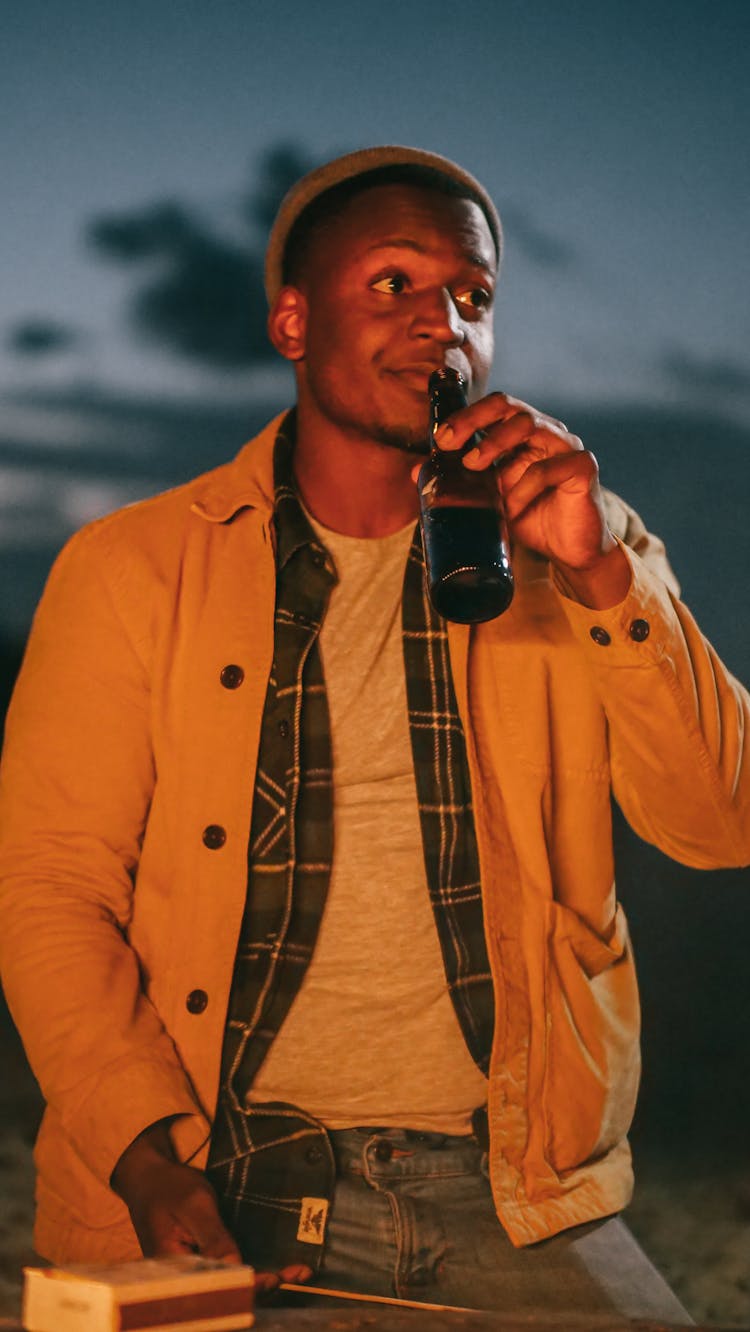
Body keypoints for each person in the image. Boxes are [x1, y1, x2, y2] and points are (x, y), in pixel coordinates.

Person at [1, 145, 748, 1322]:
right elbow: (52, 886)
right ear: (293, 322)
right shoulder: (134, 568)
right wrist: (143, 1155)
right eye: (393, 284)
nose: (441, 324)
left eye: (474, 297)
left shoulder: (576, 556)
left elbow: (721, 824)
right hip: (227, 1176)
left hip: (508, 1191)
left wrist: (604, 568)